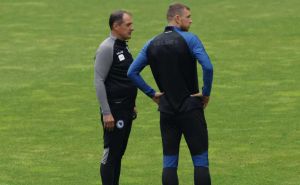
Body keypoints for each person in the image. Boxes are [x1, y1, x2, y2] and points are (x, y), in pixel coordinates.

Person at [127, 3, 213, 185]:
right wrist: (205, 93)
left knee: (169, 163)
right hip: (191, 107)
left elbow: (132, 72)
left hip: (166, 110)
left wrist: (152, 94)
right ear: (177, 18)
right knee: (200, 162)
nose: (191, 20)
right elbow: (208, 66)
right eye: (188, 16)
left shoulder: (151, 43)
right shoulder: (190, 39)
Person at [94, 10, 137, 185]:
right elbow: (98, 80)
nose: (132, 28)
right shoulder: (107, 47)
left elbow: (123, 77)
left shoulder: (122, 46)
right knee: (110, 154)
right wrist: (106, 113)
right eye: (128, 25)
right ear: (115, 26)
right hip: (114, 111)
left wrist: (132, 104)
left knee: (118, 153)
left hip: (125, 109)